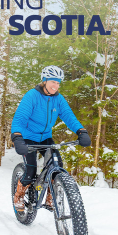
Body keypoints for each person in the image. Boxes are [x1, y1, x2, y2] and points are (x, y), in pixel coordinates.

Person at [11, 66, 91, 210]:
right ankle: (19, 196)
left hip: (46, 138)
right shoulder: (32, 96)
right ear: (45, 81)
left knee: (57, 166)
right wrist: (17, 137)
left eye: (58, 82)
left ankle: (50, 196)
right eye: (53, 81)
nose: (56, 86)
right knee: (30, 171)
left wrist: (81, 131)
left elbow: (68, 116)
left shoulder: (58, 99)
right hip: (28, 138)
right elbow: (20, 118)